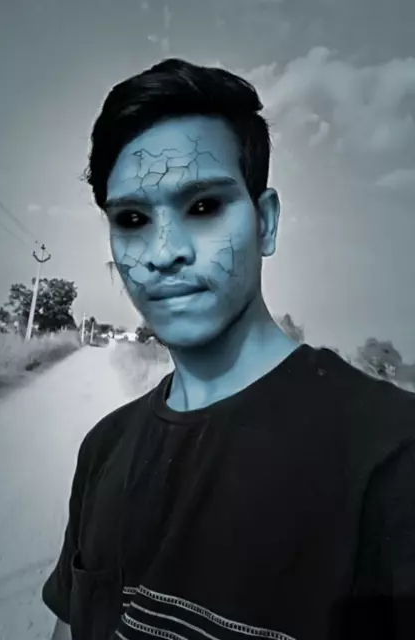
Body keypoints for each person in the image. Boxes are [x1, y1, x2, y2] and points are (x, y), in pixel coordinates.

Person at [42, 58, 415, 640]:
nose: (164, 252)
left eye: (203, 207)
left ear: (265, 223)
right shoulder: (103, 450)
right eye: (133, 218)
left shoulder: (392, 457)